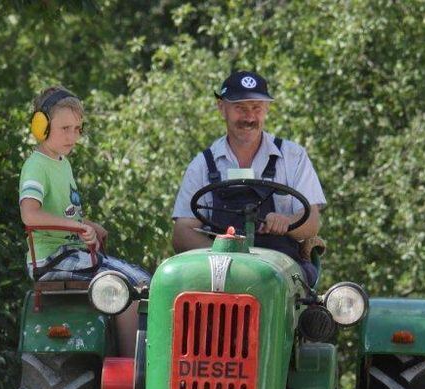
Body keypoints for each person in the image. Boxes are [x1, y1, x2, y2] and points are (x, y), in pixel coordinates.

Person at [19, 85, 150, 358]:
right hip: (52, 258)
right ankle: (131, 374)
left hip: (71, 253)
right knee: (129, 288)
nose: (73, 136)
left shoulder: (61, 162)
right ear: (41, 126)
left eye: (77, 129)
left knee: (146, 281)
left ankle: (135, 358)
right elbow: (30, 214)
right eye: (65, 128)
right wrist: (79, 228)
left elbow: (66, 215)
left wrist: (88, 223)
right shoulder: (36, 165)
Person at [171, 70, 326, 285]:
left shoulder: (293, 157)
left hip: (281, 271)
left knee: (315, 311)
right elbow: (182, 232)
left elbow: (312, 222)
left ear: (267, 109)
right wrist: (222, 254)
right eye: (240, 108)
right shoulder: (203, 165)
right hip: (217, 272)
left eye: (256, 108)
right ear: (221, 108)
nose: (249, 117)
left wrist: (287, 222)